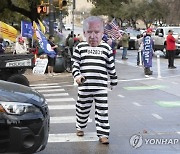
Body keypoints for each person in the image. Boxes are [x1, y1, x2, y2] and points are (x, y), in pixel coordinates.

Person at [72, 16, 118, 144]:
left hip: (101, 86)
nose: (93, 36)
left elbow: (110, 66)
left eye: (97, 32)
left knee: (102, 110)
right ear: (84, 33)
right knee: (82, 108)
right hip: (85, 86)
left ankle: (103, 134)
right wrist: (77, 76)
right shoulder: (80, 47)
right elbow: (75, 64)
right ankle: (80, 126)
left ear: (102, 33)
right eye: (89, 32)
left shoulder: (106, 48)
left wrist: (114, 79)